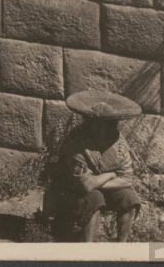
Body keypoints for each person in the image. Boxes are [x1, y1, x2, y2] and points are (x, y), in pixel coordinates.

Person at [44, 90, 142, 242]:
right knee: (95, 199)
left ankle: (121, 247)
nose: (105, 129)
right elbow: (86, 185)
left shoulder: (119, 143)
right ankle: (88, 251)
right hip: (70, 191)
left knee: (129, 199)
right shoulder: (76, 142)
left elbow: (127, 179)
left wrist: (98, 182)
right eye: (99, 124)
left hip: (99, 187)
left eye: (110, 124)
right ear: (89, 122)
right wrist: (111, 174)